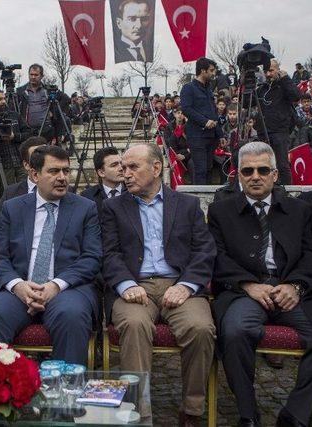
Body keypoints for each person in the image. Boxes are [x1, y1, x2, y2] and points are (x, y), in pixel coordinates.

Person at [208, 141, 312, 427]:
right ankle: (248, 414)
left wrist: (295, 286)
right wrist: (247, 285)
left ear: (274, 174)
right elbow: (216, 257)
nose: (255, 176)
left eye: (262, 170)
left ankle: (295, 414)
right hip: (244, 293)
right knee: (235, 331)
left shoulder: (300, 210)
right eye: (247, 171)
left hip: (292, 292)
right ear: (239, 175)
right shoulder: (221, 211)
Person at [101, 143, 216, 425]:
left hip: (179, 284)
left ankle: (192, 410)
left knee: (201, 328)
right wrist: (126, 283)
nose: (125, 174)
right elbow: (108, 253)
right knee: (134, 325)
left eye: (132, 167)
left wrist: (187, 285)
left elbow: (204, 250)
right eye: (122, 168)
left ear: (156, 168)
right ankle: (140, 413)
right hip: (134, 285)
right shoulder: (112, 207)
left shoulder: (187, 205)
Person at [0, 145, 101, 365]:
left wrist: (55, 286)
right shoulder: (12, 208)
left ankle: (66, 392)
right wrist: (18, 286)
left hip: (67, 289)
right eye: (53, 171)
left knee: (72, 316)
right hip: (19, 289)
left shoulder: (85, 208)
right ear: (34, 174)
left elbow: (91, 258)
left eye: (66, 171)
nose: (62, 177)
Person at [180, 58, 226, 184]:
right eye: (211, 70)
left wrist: (220, 134)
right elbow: (186, 109)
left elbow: (214, 113)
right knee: (200, 169)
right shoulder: (188, 88)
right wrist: (204, 121)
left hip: (211, 137)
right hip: (197, 135)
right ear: (202, 71)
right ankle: (200, 200)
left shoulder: (209, 89)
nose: (213, 73)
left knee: (209, 168)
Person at [256, 59, 301, 185]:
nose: (268, 74)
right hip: (263, 132)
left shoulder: (284, 86)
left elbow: (296, 96)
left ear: (278, 70)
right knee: (264, 164)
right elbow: (246, 103)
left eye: (271, 70)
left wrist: (285, 79)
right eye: (266, 71)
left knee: (282, 165)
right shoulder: (262, 89)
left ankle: (286, 192)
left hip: (280, 132)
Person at [16, 64, 70, 141]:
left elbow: (66, 99)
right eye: (31, 74)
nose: (33, 77)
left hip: (46, 130)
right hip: (27, 130)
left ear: (41, 76)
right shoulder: (21, 91)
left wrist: (54, 112)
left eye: (36, 75)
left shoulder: (48, 90)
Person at [80, 147, 125, 216]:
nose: (121, 168)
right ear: (101, 173)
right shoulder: (87, 196)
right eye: (114, 165)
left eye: (121, 164)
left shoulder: (133, 192)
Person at [1, 136, 46, 201]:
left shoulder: (62, 189)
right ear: (26, 165)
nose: (44, 160)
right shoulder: (10, 194)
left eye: (46, 155)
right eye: (37, 157)